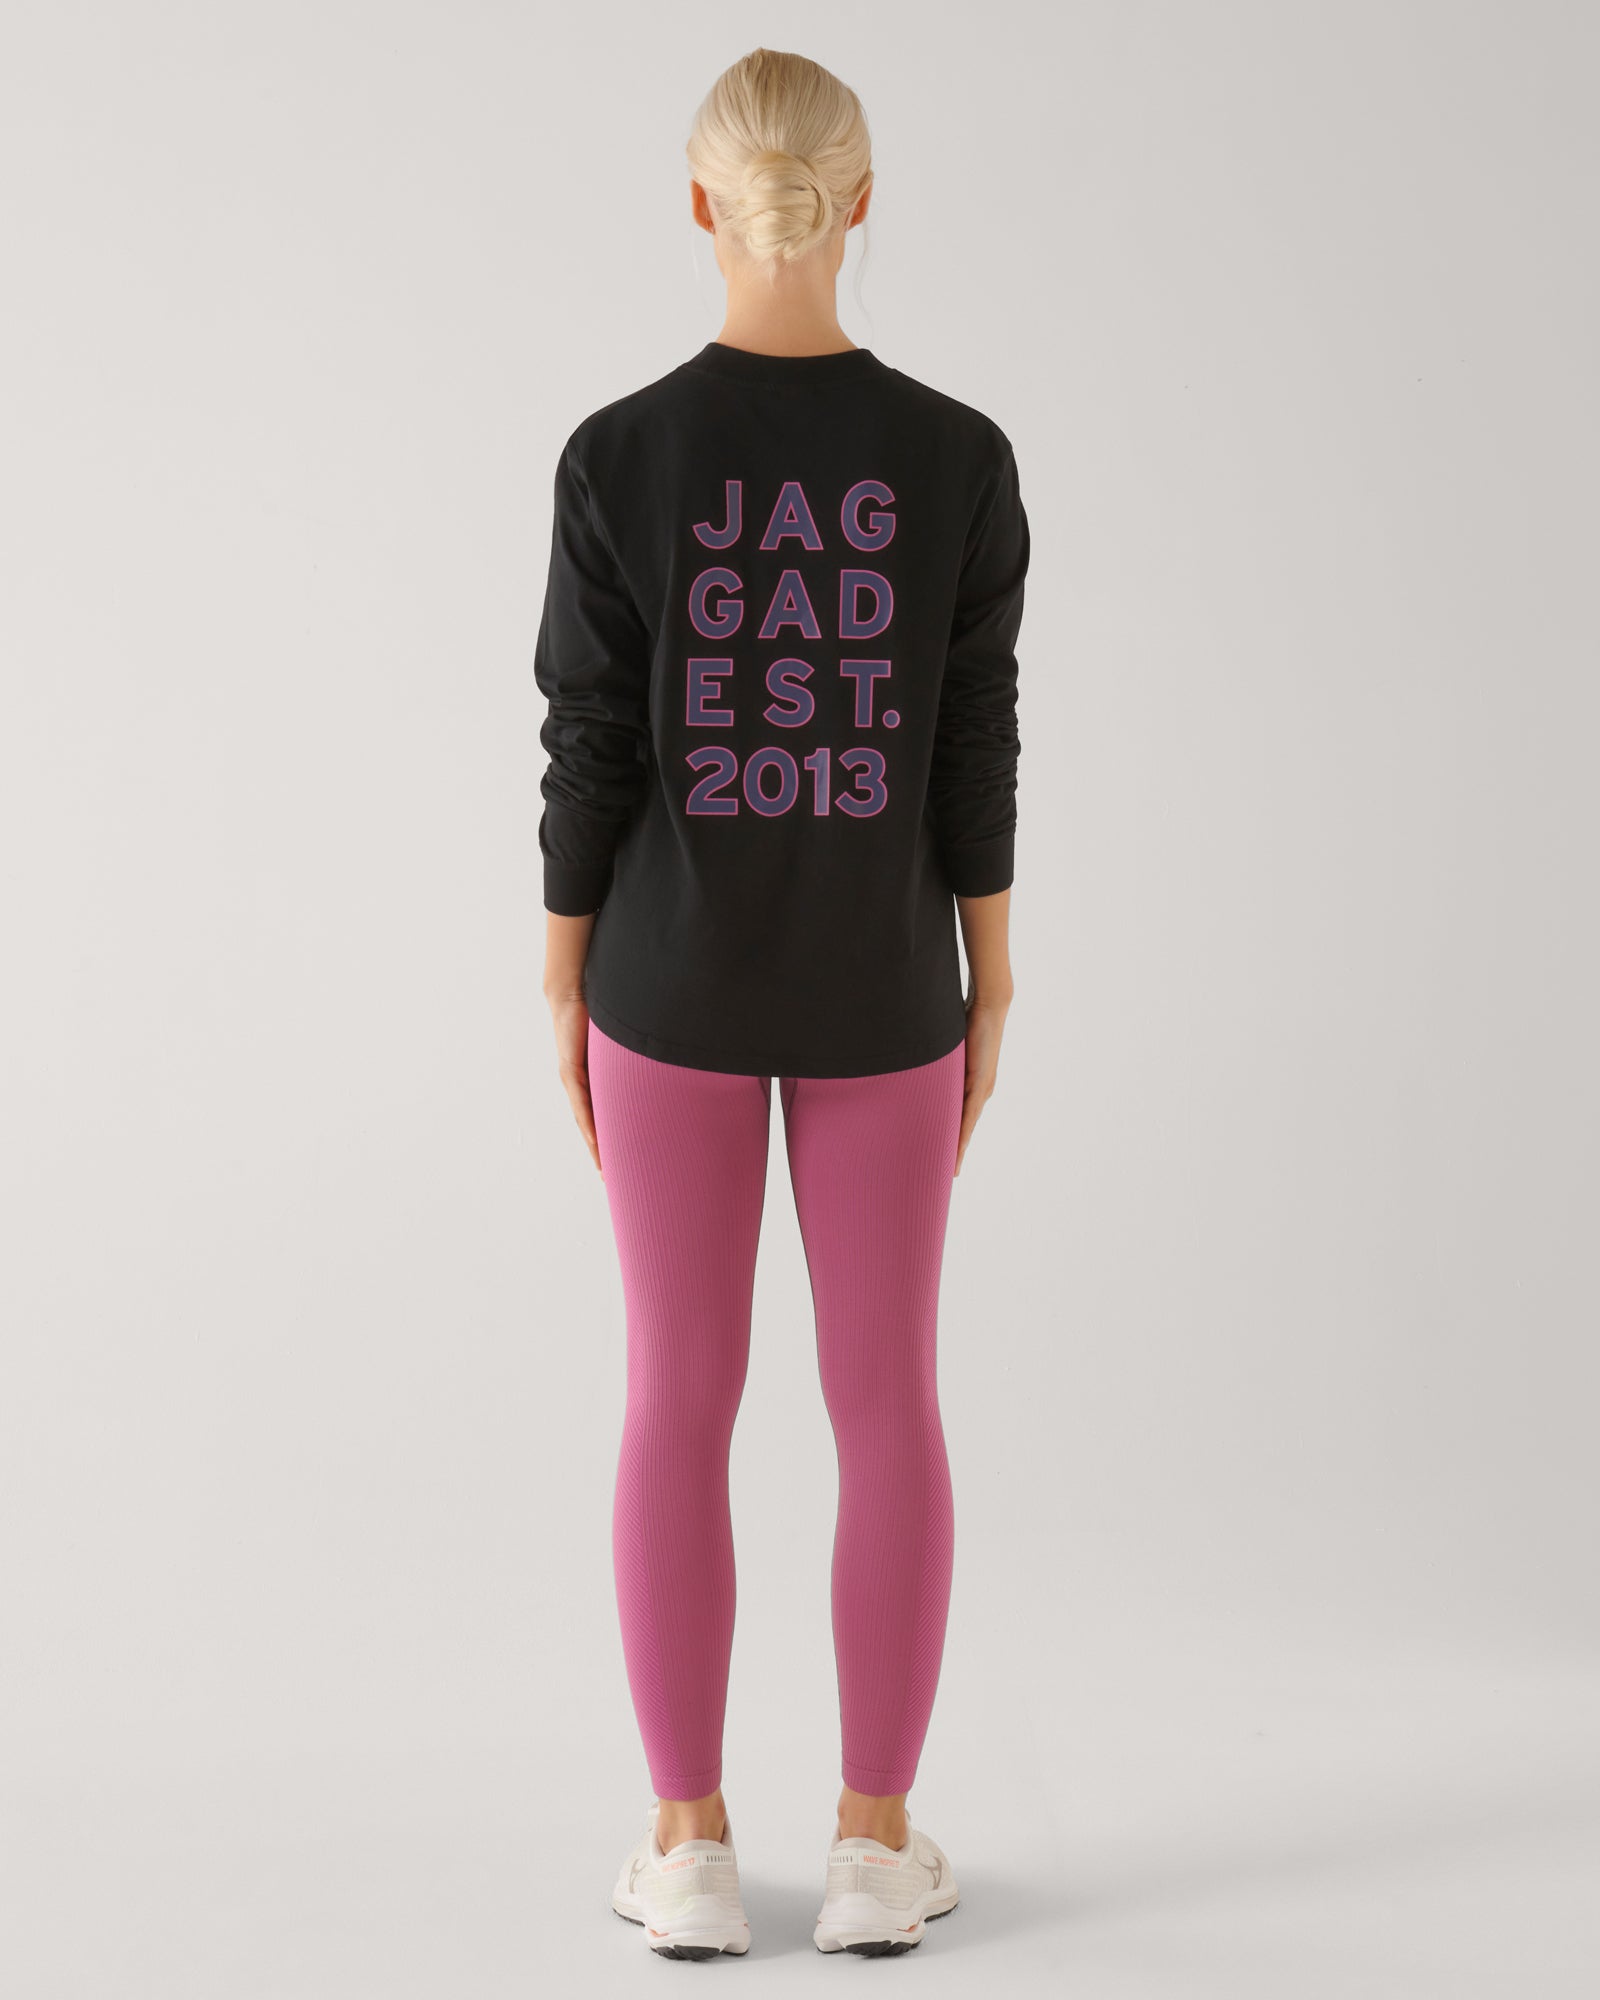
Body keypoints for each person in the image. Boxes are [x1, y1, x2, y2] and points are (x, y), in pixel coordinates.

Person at [534, 46, 1028, 1961]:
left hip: (662, 981)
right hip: (890, 989)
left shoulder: (617, 456)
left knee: (678, 1394)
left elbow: (591, 742)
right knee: (885, 1398)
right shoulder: (959, 459)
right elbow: (970, 744)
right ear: (860, 200)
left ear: (698, 204)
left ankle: (687, 1849)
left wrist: (563, 970)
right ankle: (877, 1848)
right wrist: (993, 969)